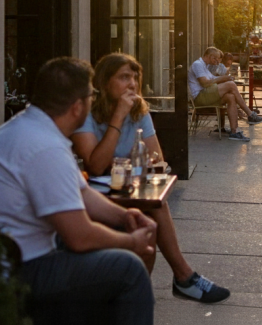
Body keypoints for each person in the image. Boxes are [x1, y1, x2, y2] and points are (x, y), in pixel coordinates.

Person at [0, 57, 157, 325]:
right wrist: (131, 243)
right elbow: (79, 236)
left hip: (7, 255)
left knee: (118, 239)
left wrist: (125, 217)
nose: (93, 100)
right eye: (91, 94)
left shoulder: (34, 129)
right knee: (129, 270)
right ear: (77, 107)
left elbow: (84, 194)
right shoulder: (44, 146)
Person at [71, 53, 230, 304]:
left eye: (135, 78)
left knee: (153, 211)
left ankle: (141, 296)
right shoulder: (86, 114)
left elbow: (156, 157)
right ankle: (181, 278)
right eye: (124, 77)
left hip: (129, 190)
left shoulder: (139, 111)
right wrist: (118, 117)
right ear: (103, 82)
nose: (132, 84)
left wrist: (148, 162)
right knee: (153, 212)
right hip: (94, 195)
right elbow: (96, 165)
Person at [189, 47, 262, 142]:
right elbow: (204, 83)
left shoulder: (204, 66)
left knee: (230, 97)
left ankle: (234, 131)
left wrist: (226, 78)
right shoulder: (198, 64)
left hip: (206, 95)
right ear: (209, 56)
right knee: (231, 85)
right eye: (215, 58)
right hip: (200, 97)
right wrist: (223, 79)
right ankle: (250, 114)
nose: (217, 60)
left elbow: (213, 79)